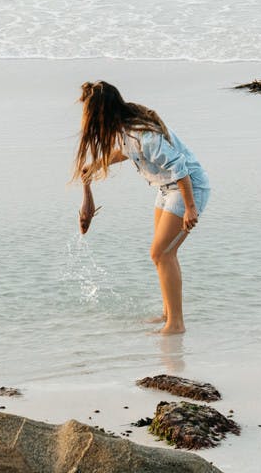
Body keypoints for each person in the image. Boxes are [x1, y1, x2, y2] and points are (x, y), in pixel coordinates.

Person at [73, 80, 210, 335]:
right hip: (166, 188)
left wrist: (191, 208)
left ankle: (176, 324)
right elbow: (126, 152)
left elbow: (180, 167)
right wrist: (97, 165)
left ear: (104, 111)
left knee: (161, 253)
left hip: (188, 187)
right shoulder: (125, 127)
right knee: (163, 254)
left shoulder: (144, 134)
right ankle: (168, 314)